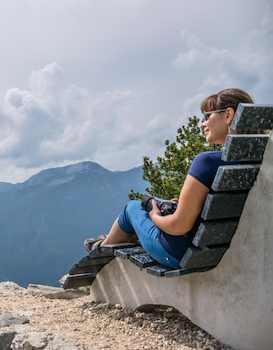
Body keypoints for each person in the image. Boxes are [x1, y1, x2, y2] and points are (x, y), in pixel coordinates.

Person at [84, 88, 255, 269]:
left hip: (179, 252)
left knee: (132, 208)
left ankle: (101, 246)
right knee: (159, 204)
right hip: (218, 245)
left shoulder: (206, 162)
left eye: (207, 116)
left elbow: (178, 227)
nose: (203, 124)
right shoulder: (256, 160)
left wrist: (155, 216)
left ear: (228, 115)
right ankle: (115, 238)